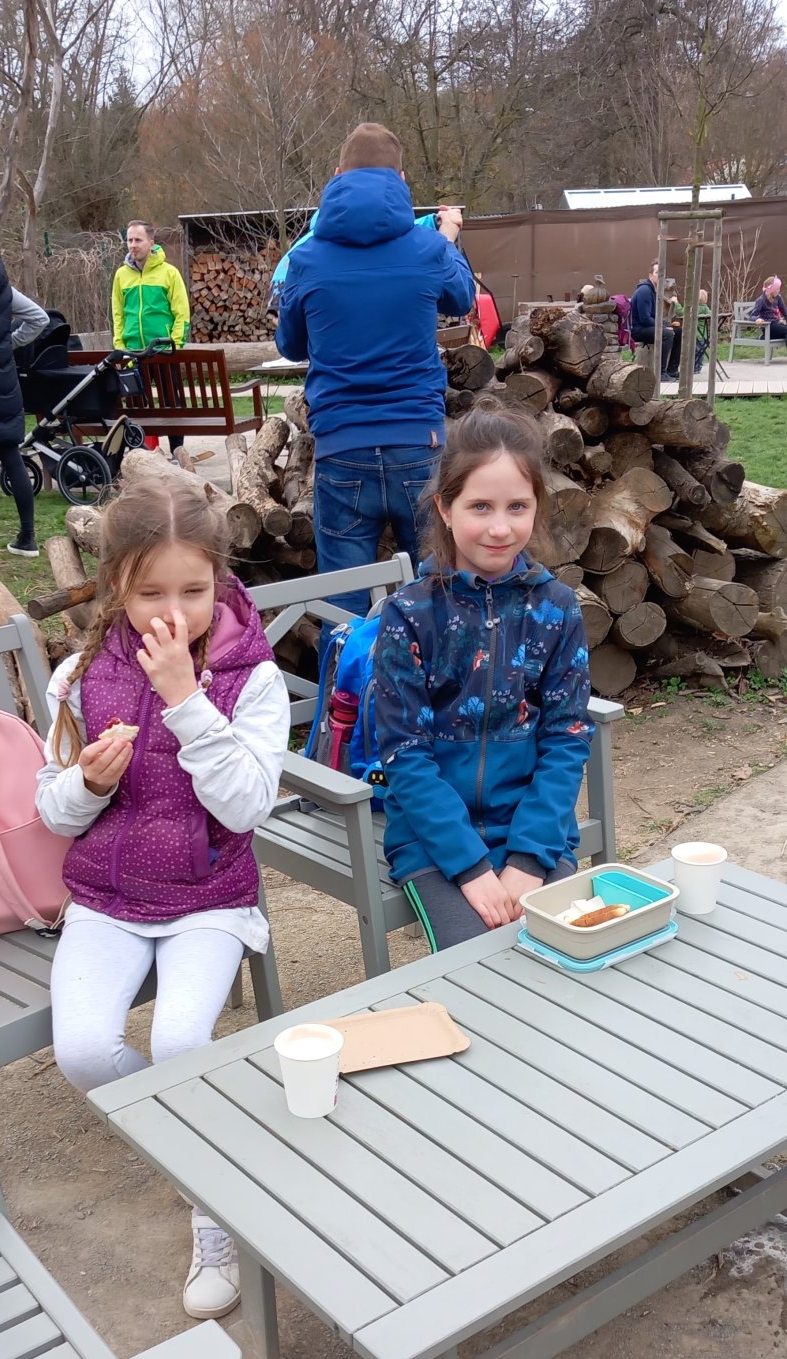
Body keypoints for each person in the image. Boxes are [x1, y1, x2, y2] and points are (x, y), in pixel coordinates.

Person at [35, 470, 290, 1319]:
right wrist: (85, 785)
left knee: (182, 1042)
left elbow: (246, 806)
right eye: (150, 594)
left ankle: (212, 1210)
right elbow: (52, 810)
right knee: (82, 1052)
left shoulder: (251, 678)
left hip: (209, 897)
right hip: (107, 897)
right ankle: (205, 1154)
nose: (172, 615)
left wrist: (186, 701)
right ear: (116, 584)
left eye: (193, 591)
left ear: (220, 580)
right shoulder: (77, 678)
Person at [373, 408, 593, 951]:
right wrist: (470, 867)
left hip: (533, 832)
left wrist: (528, 858)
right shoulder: (408, 615)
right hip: (432, 842)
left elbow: (567, 738)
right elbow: (405, 754)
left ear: (537, 506)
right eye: (480, 507)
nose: (500, 528)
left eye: (517, 506)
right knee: (477, 963)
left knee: (562, 949)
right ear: (445, 508)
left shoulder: (557, 609)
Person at [275, 122, 476, 615]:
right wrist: (449, 235)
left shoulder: (306, 258)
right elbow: (462, 297)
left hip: (342, 447)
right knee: (437, 598)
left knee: (341, 608)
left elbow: (290, 344)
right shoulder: (429, 249)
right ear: (401, 179)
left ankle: (341, 669)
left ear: (337, 174)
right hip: (418, 444)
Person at [0, 234, 48, 548]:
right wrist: (8, 344)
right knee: (10, 456)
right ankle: (27, 538)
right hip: (3, 384)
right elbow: (39, 318)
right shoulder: (0, 283)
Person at [111, 220, 190, 458]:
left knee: (172, 403)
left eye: (138, 240)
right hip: (133, 352)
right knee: (136, 406)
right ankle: (141, 454)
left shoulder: (169, 273)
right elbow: (118, 314)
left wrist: (175, 344)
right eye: (129, 240)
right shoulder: (121, 275)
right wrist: (120, 346)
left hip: (163, 351)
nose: (133, 245)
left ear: (151, 242)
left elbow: (181, 312)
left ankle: (177, 451)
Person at [630, 261, 679, 380]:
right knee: (667, 334)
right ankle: (660, 373)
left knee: (678, 332)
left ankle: (672, 370)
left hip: (647, 327)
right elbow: (645, 319)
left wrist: (665, 325)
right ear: (650, 275)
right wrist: (663, 327)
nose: (661, 276)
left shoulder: (653, 291)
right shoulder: (645, 291)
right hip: (637, 330)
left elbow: (654, 318)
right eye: (657, 272)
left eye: (663, 273)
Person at [750, 276, 787, 345]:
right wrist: (757, 319)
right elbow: (752, 316)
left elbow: (785, 313)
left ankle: (764, 337)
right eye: (777, 289)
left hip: (777, 325)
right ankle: (765, 336)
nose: (779, 290)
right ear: (772, 290)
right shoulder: (761, 300)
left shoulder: (778, 297)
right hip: (768, 326)